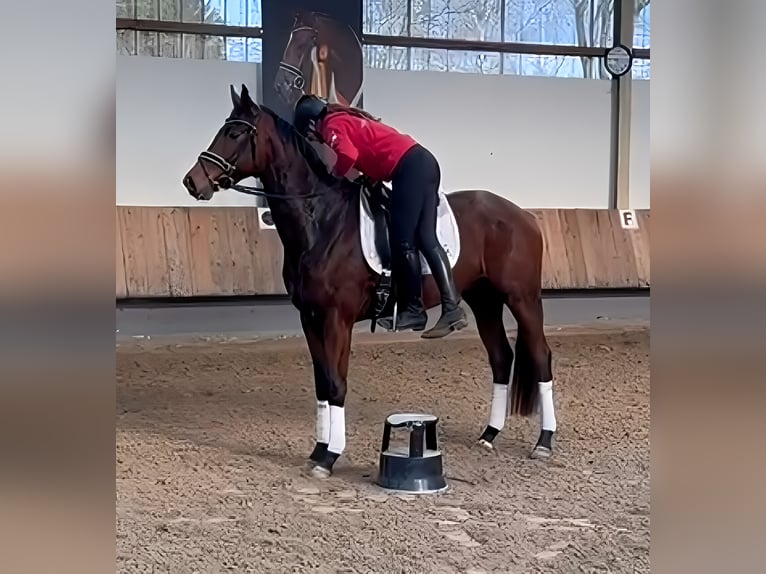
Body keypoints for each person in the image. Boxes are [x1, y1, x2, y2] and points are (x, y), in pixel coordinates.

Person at [292, 94, 468, 339]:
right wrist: (370, 177)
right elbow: (373, 153)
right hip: (423, 161)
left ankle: (414, 309)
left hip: (408, 168)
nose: (317, 140)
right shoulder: (346, 119)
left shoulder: (332, 124)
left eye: (311, 135)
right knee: (426, 237)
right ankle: (452, 307)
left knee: (403, 239)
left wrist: (333, 176)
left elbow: (348, 156)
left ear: (312, 123)